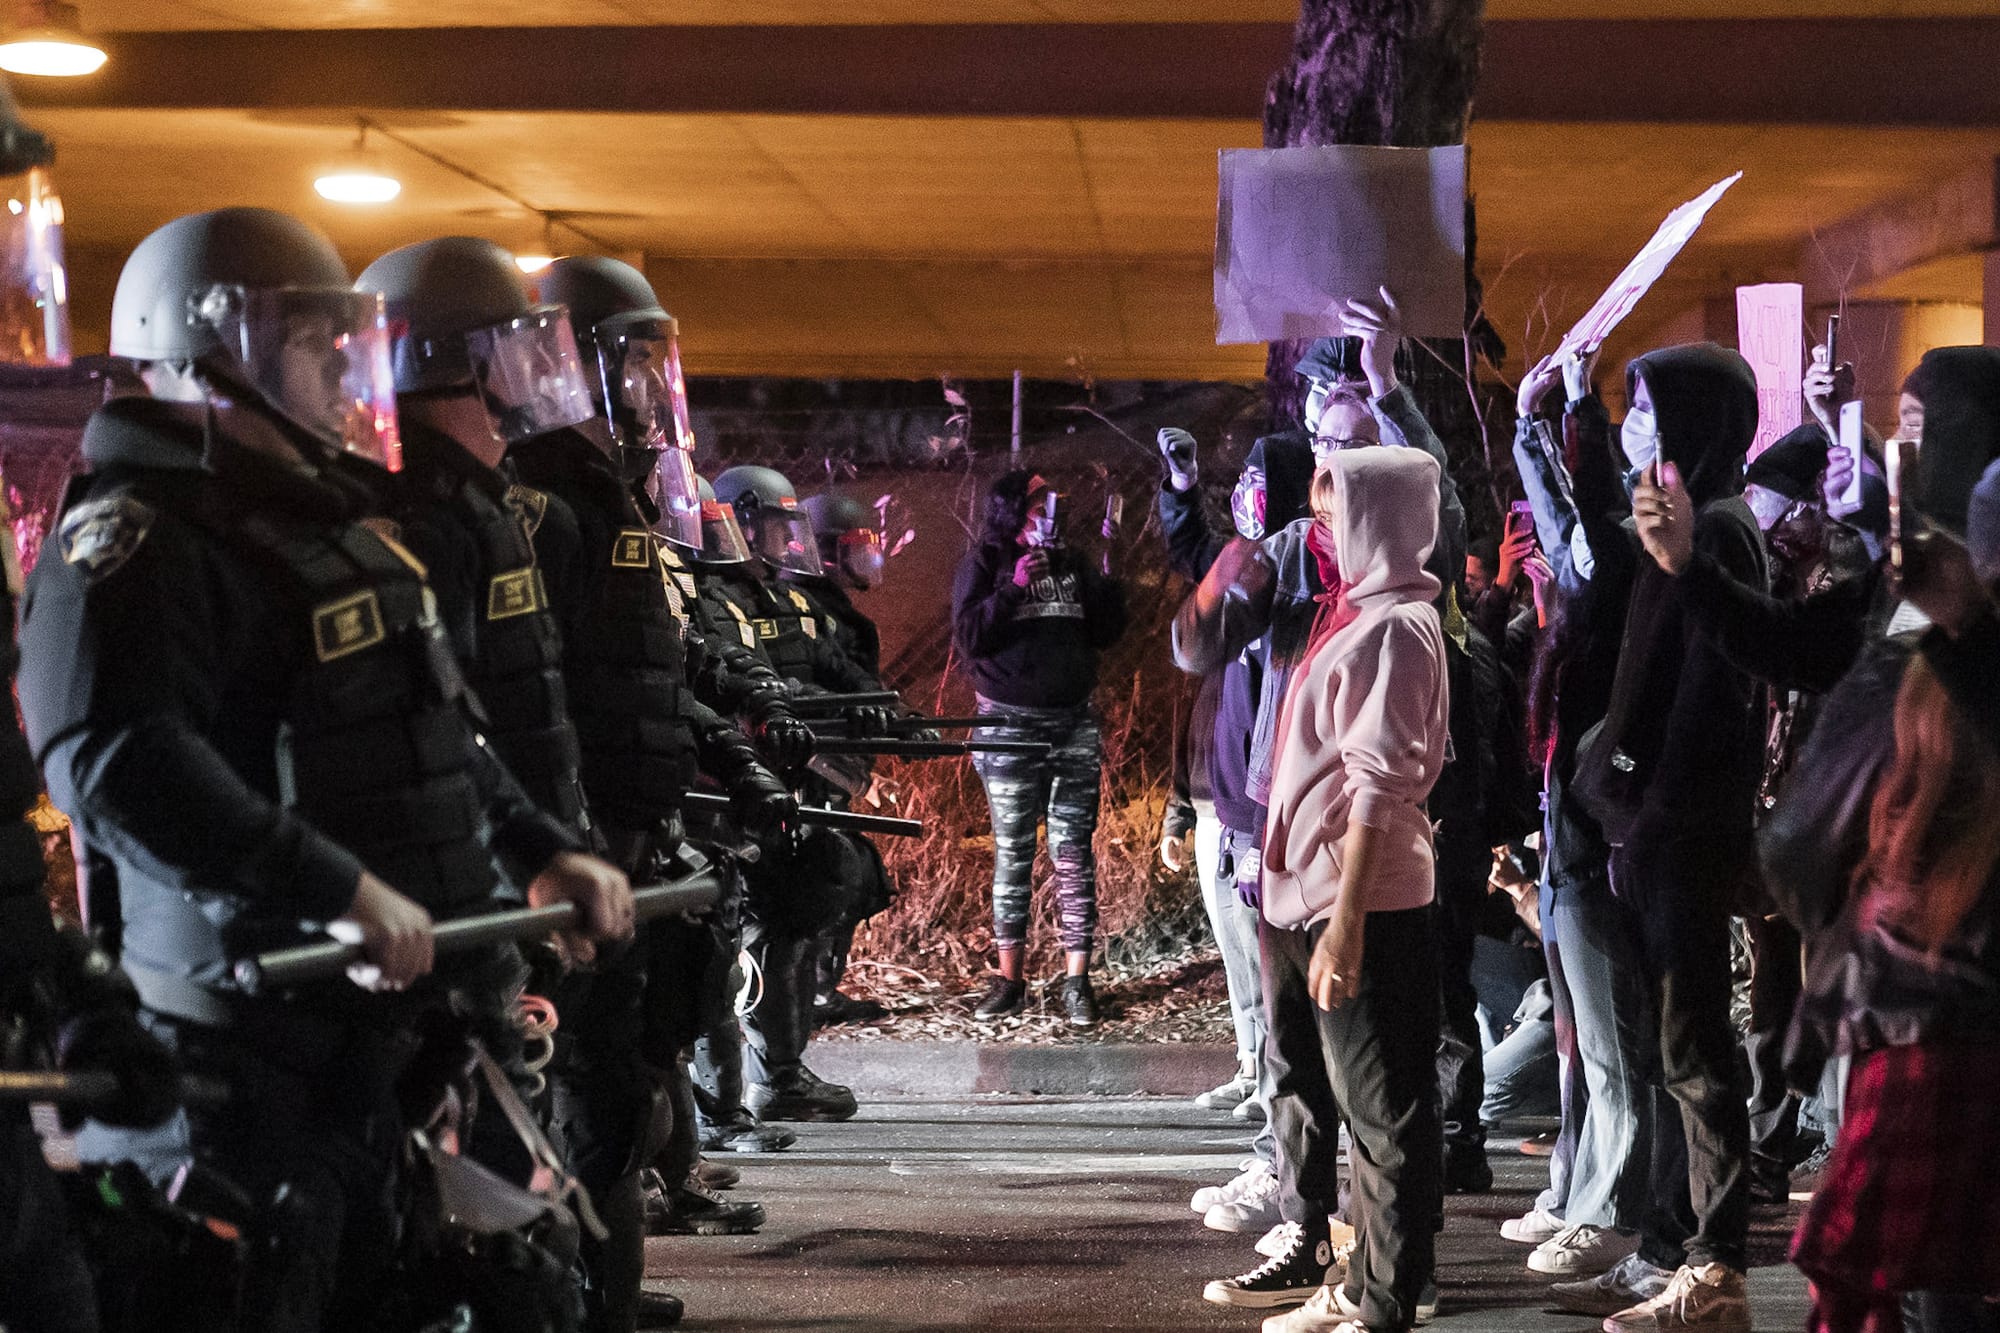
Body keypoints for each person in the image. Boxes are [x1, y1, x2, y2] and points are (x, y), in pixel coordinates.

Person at [17, 208, 633, 1333]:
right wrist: (334, 887)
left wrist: (542, 855)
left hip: (376, 1042)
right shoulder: (132, 541)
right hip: (228, 1045)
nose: (337, 373)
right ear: (210, 352)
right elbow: (118, 761)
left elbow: (432, 725)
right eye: (309, 346)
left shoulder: (333, 525)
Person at [1760, 365, 2000, 1333]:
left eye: (1919, 428)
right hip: (1917, 985)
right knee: (1932, 1264)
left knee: (1891, 1255)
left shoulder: (1948, 656)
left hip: (1945, 1000)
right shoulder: (1926, 637)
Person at [1565, 343, 1768, 1333]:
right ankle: (1661, 1244)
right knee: (1661, 1045)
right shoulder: (1680, 526)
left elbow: (1703, 696)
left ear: (1692, 423)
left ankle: (1713, 1263)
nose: (1628, 423)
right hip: (1649, 826)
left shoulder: (1719, 535)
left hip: (1680, 830)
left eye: (1643, 408)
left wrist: (1639, 802)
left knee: (1692, 1047)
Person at [1247, 444, 1451, 1333]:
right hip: (1319, 891)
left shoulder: (1398, 625)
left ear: (1383, 516)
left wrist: (1347, 923)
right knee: (1368, 1108)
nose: (1323, 524)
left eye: (1339, 508)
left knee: (1384, 1110)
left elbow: (1379, 781)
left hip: (1358, 894)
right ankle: (1369, 1280)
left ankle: (1384, 1299)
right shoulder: (1362, 614)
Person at [951, 469, 1129, 1027]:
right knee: (1014, 853)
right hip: (1008, 727)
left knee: (1074, 853)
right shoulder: (986, 561)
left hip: (1072, 725)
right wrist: (1014, 588)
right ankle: (1010, 979)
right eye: (1035, 504)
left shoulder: (1071, 562)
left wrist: (1106, 569)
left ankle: (1077, 980)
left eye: (1052, 503)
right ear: (1011, 511)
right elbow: (971, 638)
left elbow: (1106, 631)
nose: (1047, 513)